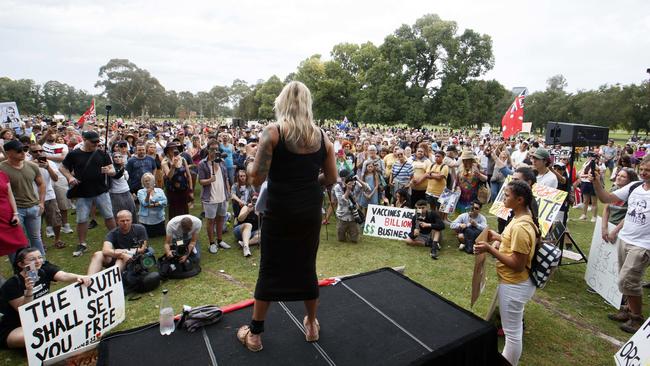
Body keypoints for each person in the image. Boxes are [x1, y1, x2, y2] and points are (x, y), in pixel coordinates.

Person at [237, 81, 337, 352]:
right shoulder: (322, 137)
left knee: (270, 267)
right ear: (308, 104)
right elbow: (331, 178)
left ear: (282, 103)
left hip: (279, 212)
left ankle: (255, 335)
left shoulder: (274, 133)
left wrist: (249, 162)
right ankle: (312, 325)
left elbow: (256, 179)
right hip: (308, 212)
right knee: (307, 266)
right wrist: (306, 180)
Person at [474, 180, 539, 366]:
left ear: (520, 200)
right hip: (515, 283)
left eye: (507, 195)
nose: (503, 198)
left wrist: (489, 248)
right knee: (513, 330)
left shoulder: (520, 227)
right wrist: (498, 237)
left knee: (512, 334)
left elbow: (517, 264)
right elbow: (513, 244)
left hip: (514, 284)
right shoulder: (522, 218)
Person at [591, 154, 650, 333]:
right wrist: (596, 182)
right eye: (643, 170)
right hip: (625, 238)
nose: (645, 173)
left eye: (649, 171)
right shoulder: (634, 186)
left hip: (643, 244)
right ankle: (626, 310)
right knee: (624, 280)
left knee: (628, 280)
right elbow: (606, 199)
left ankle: (637, 318)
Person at [0, 247, 90, 349]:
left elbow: (64, 276)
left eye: (40, 257)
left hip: (42, 319)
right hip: (17, 326)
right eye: (32, 259)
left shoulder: (44, 269)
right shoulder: (12, 284)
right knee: (35, 337)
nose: (38, 261)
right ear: (21, 264)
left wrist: (79, 277)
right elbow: (25, 311)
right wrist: (29, 290)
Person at [60, 131, 117, 257]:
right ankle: (82, 244)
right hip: (82, 192)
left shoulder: (103, 153)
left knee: (109, 216)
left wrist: (110, 171)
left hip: (101, 190)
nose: (96, 144)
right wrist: (69, 177)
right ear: (84, 140)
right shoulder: (74, 154)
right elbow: (62, 168)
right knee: (82, 219)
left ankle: (117, 240)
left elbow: (112, 169)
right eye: (93, 142)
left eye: (98, 141)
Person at [0, 140, 46, 256]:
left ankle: (42, 264)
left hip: (33, 207)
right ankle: (19, 268)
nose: (23, 153)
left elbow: (41, 183)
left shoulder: (31, 165)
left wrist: (41, 203)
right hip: (15, 211)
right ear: (8, 153)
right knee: (16, 241)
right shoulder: (2, 169)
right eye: (19, 151)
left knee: (36, 238)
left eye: (24, 150)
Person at [86, 210, 149, 275]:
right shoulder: (113, 233)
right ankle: (89, 280)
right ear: (117, 221)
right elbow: (105, 250)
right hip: (118, 256)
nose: (125, 223)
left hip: (135, 258)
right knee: (98, 254)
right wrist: (121, 254)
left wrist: (122, 252)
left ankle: (112, 278)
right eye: (122, 221)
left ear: (131, 220)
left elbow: (142, 249)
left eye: (128, 220)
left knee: (121, 259)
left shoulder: (140, 229)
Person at [28, 144, 66, 249]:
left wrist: (48, 167)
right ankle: (41, 243)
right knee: (37, 222)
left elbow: (55, 178)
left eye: (41, 150)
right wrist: (33, 164)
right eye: (35, 151)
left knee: (56, 219)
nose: (39, 153)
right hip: (33, 197)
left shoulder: (50, 163)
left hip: (49, 195)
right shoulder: (27, 164)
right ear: (30, 153)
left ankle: (57, 239)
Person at [198, 139, 232, 253]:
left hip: (222, 196)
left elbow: (226, 178)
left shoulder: (221, 161)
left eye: (217, 149)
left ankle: (220, 240)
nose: (215, 151)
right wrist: (210, 180)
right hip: (210, 198)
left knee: (221, 219)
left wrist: (228, 193)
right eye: (212, 149)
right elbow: (201, 181)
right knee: (210, 221)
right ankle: (212, 243)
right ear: (208, 149)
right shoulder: (203, 164)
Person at [333, 169, 370, 243]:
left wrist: (359, 180)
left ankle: (351, 231)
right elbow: (341, 202)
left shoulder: (356, 183)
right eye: (350, 177)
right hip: (343, 215)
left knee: (354, 240)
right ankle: (344, 231)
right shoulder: (338, 187)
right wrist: (348, 190)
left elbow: (368, 189)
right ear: (344, 179)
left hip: (354, 216)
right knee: (341, 239)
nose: (352, 179)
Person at [0, 169, 28, 257]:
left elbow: (10, 195)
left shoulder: (2, 174)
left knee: (20, 244)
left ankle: (21, 269)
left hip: (7, 216)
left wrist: (15, 213)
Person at [161, 142, 192, 219]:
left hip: (184, 188)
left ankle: (185, 227)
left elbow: (188, 175)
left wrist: (191, 189)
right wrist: (173, 166)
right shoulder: (165, 162)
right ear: (167, 151)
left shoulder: (183, 159)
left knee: (184, 210)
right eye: (171, 149)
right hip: (172, 190)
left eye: (175, 148)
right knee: (174, 211)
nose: (173, 150)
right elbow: (169, 176)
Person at [137, 172, 168, 238]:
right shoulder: (140, 192)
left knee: (162, 234)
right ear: (143, 182)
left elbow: (165, 201)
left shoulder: (160, 190)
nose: (148, 182)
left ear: (153, 181)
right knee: (150, 236)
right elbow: (145, 204)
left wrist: (155, 204)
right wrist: (148, 194)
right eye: (146, 181)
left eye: (149, 180)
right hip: (146, 220)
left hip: (159, 218)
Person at [109, 152, 137, 221]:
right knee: (119, 212)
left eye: (120, 157)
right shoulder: (111, 168)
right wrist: (122, 167)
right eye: (115, 157)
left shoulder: (124, 168)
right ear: (112, 159)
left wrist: (131, 192)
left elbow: (127, 181)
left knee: (132, 210)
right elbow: (117, 176)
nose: (118, 158)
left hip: (126, 191)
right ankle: (119, 229)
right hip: (116, 193)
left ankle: (133, 227)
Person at [234, 192, 261, 257]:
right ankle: (246, 248)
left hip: (253, 233)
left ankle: (244, 243)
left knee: (264, 233)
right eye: (253, 200)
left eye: (256, 200)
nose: (255, 202)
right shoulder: (246, 207)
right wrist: (248, 211)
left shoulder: (261, 209)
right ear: (250, 200)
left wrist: (259, 215)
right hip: (240, 230)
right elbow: (240, 219)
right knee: (249, 225)